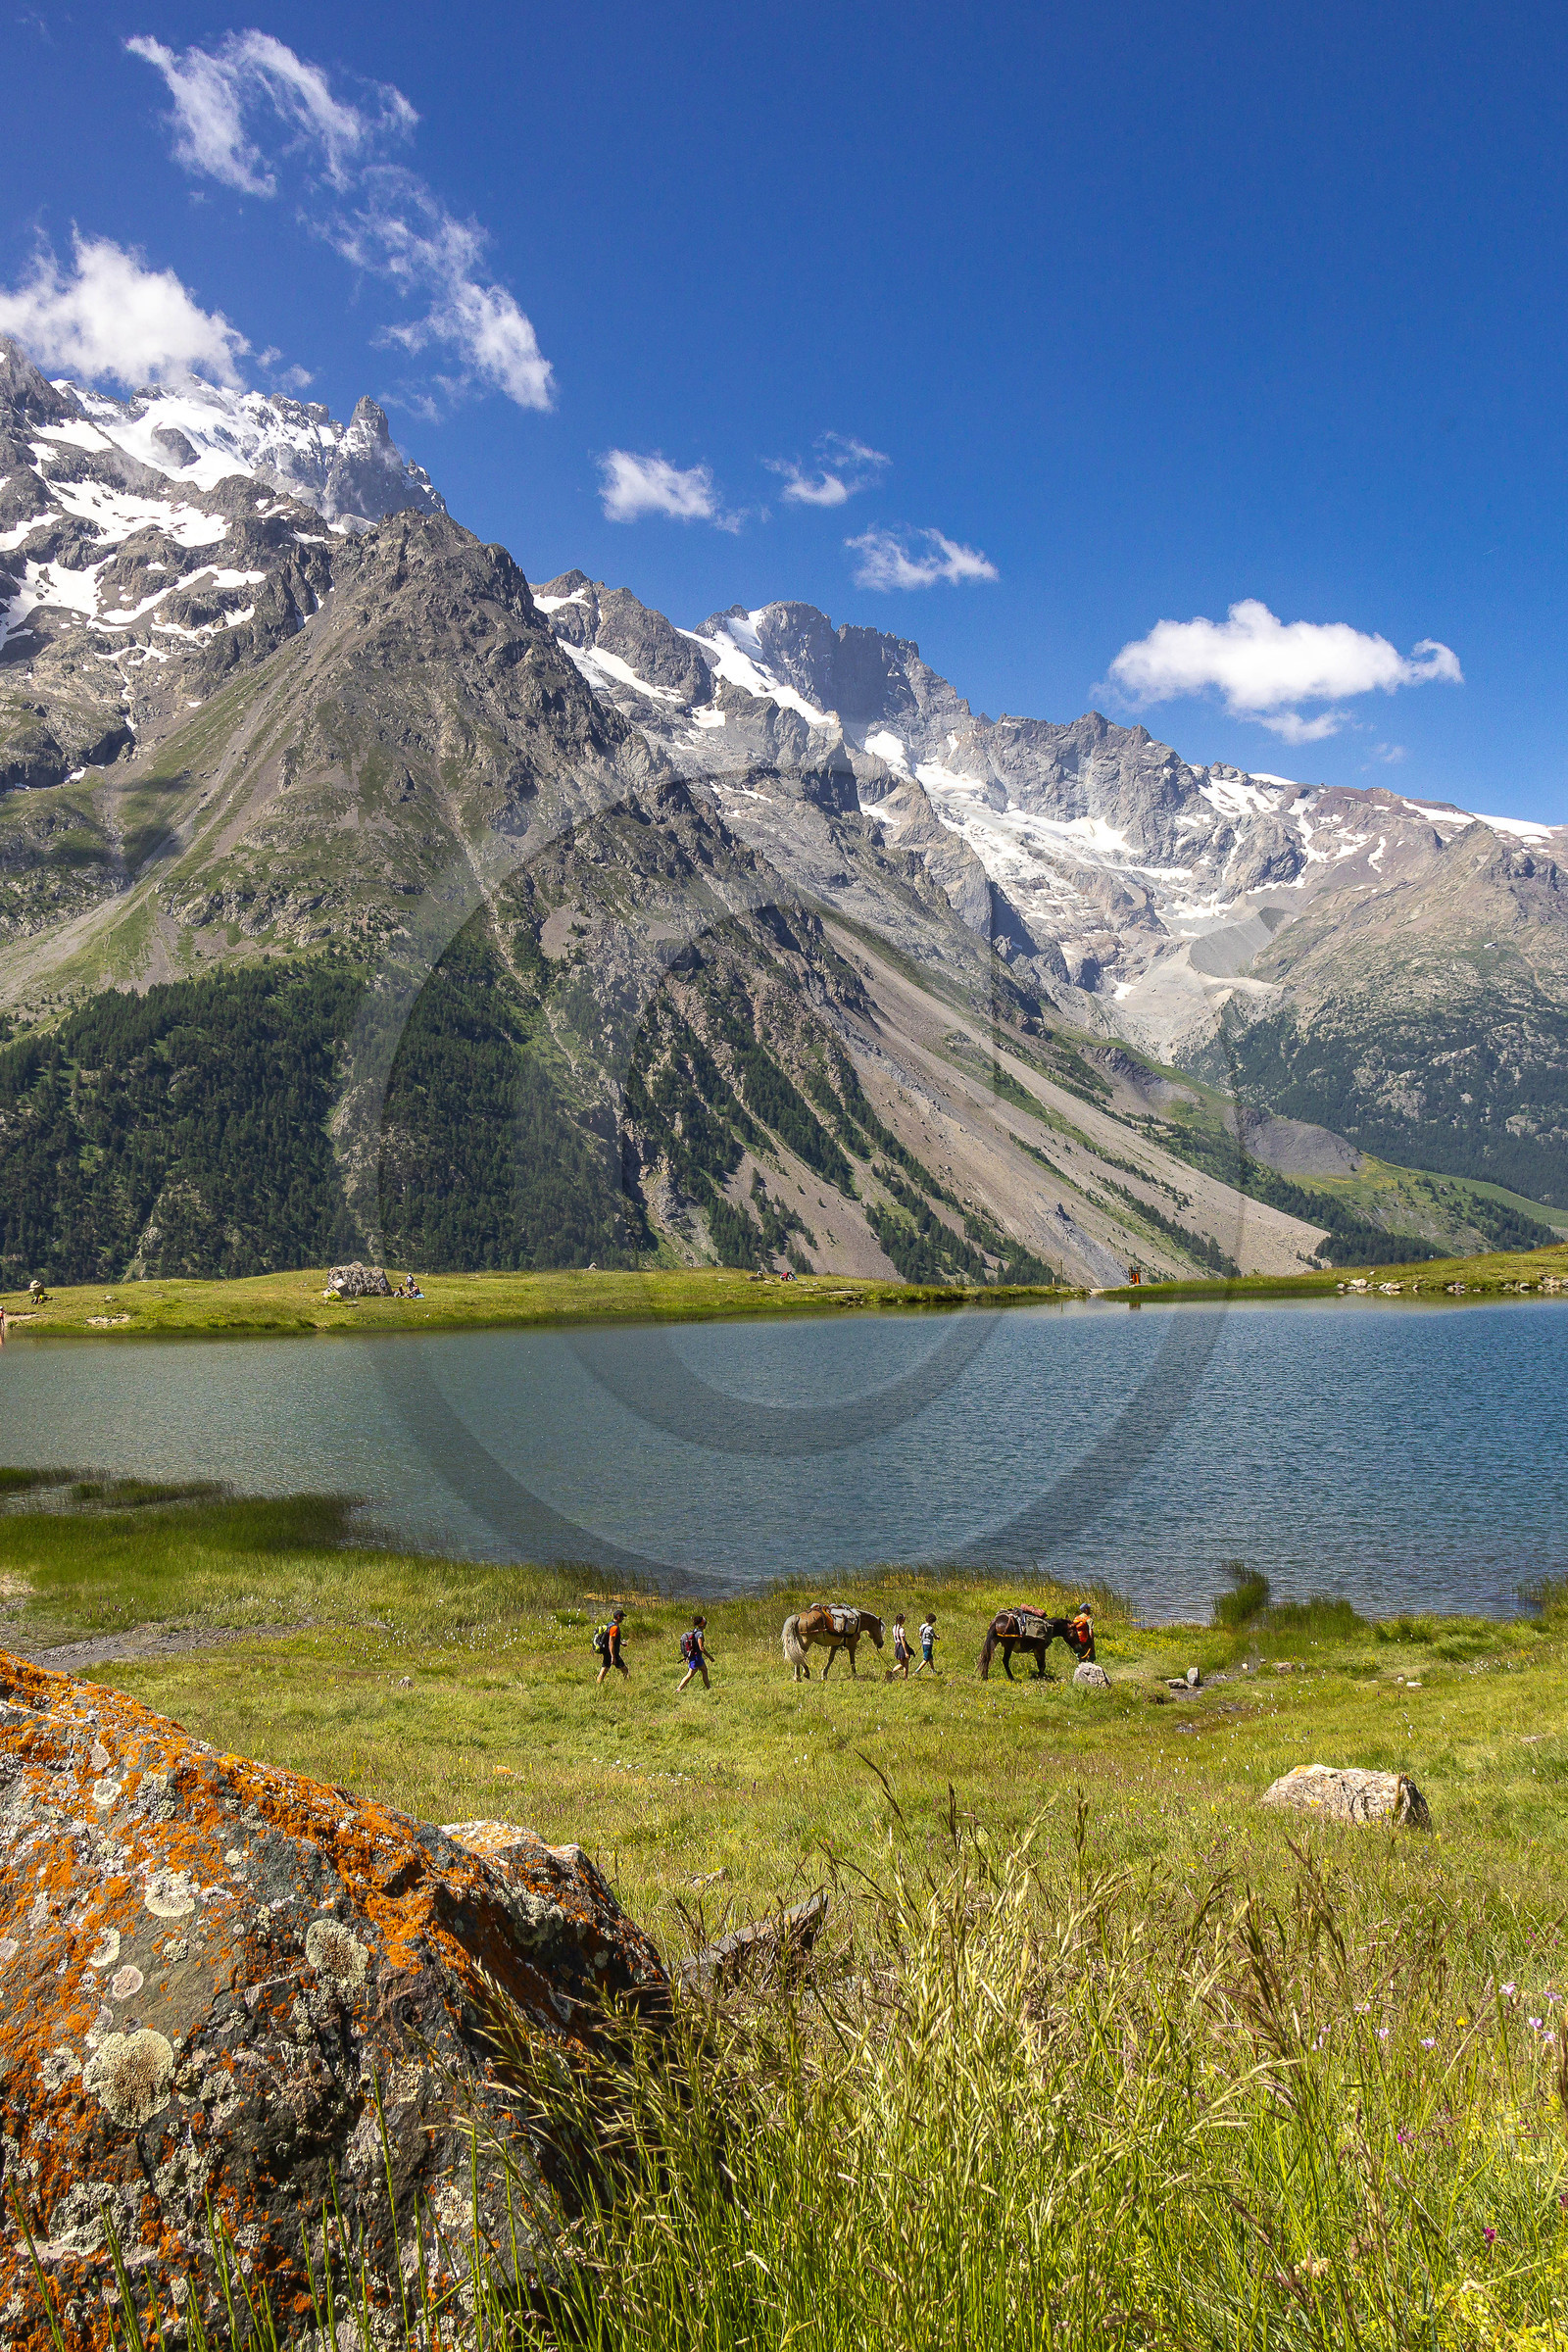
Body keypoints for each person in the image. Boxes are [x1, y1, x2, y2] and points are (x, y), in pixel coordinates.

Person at [676, 1613, 710, 1693]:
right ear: (702, 1624)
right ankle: (678, 1689)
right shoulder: (700, 1634)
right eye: (705, 1623)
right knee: (690, 1674)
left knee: (704, 1670)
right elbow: (701, 1648)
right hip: (696, 1658)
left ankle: (709, 1688)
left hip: (695, 1657)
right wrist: (710, 1657)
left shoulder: (695, 1631)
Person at [595, 1608, 629, 1685]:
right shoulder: (614, 1628)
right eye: (622, 1617)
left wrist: (620, 1643)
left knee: (604, 1669)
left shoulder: (609, 1624)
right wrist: (613, 1656)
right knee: (625, 1670)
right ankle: (629, 1685)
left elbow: (610, 1639)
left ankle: (598, 1684)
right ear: (618, 1617)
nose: (623, 1619)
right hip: (611, 1653)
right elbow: (611, 1642)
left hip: (607, 1652)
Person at [913, 1611, 938, 1676]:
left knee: (930, 1658)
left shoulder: (922, 1626)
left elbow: (920, 1634)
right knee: (926, 1659)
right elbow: (934, 1636)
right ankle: (917, 1671)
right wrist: (938, 1637)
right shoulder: (930, 1628)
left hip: (924, 1644)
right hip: (928, 1644)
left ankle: (933, 1670)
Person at [889, 1612, 912, 1680]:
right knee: (906, 1664)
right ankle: (905, 1678)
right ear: (902, 1620)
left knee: (902, 1664)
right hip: (902, 1647)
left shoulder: (894, 1628)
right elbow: (903, 1641)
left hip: (897, 1645)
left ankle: (891, 1673)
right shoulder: (901, 1630)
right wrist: (906, 1652)